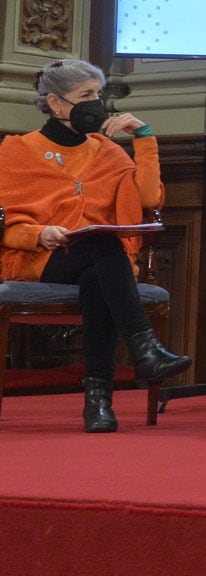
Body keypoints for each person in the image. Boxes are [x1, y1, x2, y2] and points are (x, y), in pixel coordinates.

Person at [0, 60, 192, 433]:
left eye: (98, 95)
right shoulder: (15, 152)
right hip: (40, 258)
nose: (96, 103)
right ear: (56, 104)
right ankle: (142, 353)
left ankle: (99, 403)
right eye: (85, 96)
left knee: (98, 272)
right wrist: (38, 234)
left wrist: (144, 136)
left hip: (98, 260)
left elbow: (149, 198)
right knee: (105, 252)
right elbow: (3, 224)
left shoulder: (107, 150)